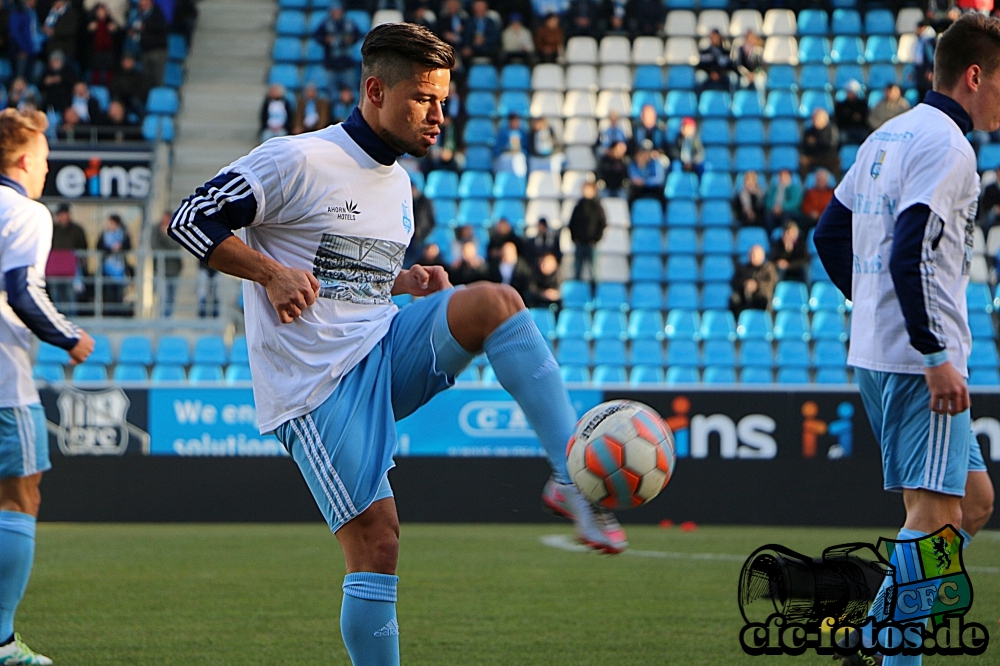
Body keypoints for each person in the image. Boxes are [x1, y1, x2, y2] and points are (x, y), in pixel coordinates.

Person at [168, 24, 627, 666]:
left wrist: (404, 281)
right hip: (319, 387)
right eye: (424, 99)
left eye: (444, 100)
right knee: (378, 542)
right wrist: (269, 273)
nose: (439, 115)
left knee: (496, 301)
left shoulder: (400, 186)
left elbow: (347, 272)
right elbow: (188, 219)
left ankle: (570, 478)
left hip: (381, 344)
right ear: (376, 90)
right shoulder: (296, 158)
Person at [814, 17, 997, 661]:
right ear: (975, 76)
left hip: (878, 352)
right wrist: (935, 352)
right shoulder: (950, 148)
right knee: (934, 516)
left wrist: (873, 313)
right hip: (921, 365)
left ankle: (872, 630)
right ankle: (893, 651)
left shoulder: (886, 136)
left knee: (971, 503)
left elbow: (829, 237)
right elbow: (910, 251)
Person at [0, 108, 94, 666]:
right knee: (20, 496)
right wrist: (70, 338)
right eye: (45, 159)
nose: (46, 170)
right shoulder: (27, 213)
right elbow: (22, 290)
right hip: (6, 383)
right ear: (26, 160)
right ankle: (3, 641)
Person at [314, 1, 362, 98]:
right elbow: (317, 36)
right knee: (331, 94)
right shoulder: (325, 24)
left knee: (351, 92)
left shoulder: (349, 22)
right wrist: (326, 40)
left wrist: (351, 39)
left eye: (338, 11)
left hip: (347, 64)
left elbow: (358, 35)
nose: (336, 13)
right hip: (331, 65)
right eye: (334, 11)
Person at [47, 203, 88, 312]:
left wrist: (82, 263)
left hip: (71, 270)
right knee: (55, 294)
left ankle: (72, 317)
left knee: (71, 294)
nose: (63, 217)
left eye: (65, 214)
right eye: (61, 214)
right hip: (54, 269)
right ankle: (57, 317)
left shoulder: (77, 230)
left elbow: (83, 247)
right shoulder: (52, 229)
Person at [568, 181, 606, 281]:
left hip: (592, 244)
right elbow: (572, 223)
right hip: (579, 243)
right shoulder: (578, 207)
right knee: (577, 270)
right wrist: (574, 238)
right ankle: (577, 292)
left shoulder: (597, 207)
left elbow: (602, 223)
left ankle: (595, 293)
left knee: (594, 272)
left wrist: (596, 239)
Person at [96, 213, 132, 315]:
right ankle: (110, 315)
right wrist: (110, 249)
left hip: (120, 271)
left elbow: (128, 246)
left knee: (120, 295)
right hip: (107, 269)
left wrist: (120, 247)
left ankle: (119, 315)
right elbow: (98, 246)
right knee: (109, 294)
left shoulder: (123, 234)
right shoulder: (104, 234)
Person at [150, 210, 183, 317]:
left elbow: (176, 246)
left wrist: (166, 235)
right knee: (162, 298)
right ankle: (162, 322)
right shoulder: (155, 229)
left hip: (174, 270)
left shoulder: (176, 229)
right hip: (160, 270)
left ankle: (168, 322)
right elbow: (154, 247)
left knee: (171, 299)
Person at [729, 244, 776, 315]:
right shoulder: (742, 268)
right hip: (745, 296)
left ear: (762, 256)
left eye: (755, 255)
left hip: (761, 295)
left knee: (765, 300)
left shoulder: (769, 268)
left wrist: (757, 285)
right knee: (734, 299)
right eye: (751, 254)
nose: (752, 257)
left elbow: (772, 283)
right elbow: (735, 282)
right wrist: (745, 284)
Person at [8, 0, 43, 83]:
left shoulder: (33, 12)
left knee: (30, 77)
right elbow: (15, 33)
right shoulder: (18, 11)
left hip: (33, 50)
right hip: (22, 52)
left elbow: (34, 30)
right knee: (20, 78)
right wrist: (22, 48)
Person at [85, 3, 119, 86]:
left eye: (103, 11)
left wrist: (115, 31)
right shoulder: (90, 23)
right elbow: (84, 40)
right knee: (95, 75)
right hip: (95, 53)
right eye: (99, 12)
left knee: (108, 75)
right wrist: (89, 31)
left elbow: (118, 40)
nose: (101, 13)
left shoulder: (112, 23)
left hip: (109, 54)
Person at [799, 107, 839, 177]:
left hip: (827, 157)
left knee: (836, 161)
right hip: (813, 157)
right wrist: (819, 144)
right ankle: (804, 183)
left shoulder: (831, 130)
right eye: (815, 118)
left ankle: (837, 182)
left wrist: (816, 142)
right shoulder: (808, 131)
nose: (816, 120)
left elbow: (831, 145)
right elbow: (805, 146)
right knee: (803, 161)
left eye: (819, 118)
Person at [834, 79, 869, 146]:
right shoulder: (840, 105)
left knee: (865, 139)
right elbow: (839, 119)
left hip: (859, 129)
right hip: (845, 129)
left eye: (853, 92)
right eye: (849, 92)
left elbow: (864, 118)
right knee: (840, 138)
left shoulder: (862, 104)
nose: (851, 94)